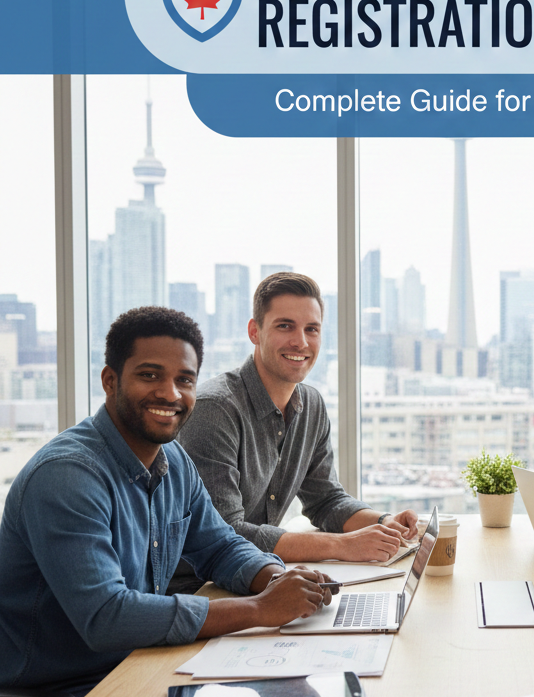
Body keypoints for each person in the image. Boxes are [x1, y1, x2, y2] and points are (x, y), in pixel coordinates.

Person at [0, 307, 333, 696]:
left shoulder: (172, 459)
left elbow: (219, 546)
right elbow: (107, 617)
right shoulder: (66, 476)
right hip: (57, 686)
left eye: (184, 380)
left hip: (142, 661)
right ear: (110, 381)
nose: (170, 393)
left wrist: (278, 581)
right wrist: (261, 609)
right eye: (149, 375)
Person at [174, 272, 417, 592]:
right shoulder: (215, 409)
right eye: (285, 326)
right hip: (198, 589)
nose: (300, 342)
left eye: (311, 329)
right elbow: (226, 534)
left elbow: (326, 500)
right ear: (255, 331)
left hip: (259, 578)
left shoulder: (311, 405)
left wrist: (384, 523)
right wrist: (343, 546)